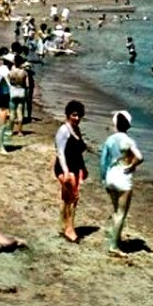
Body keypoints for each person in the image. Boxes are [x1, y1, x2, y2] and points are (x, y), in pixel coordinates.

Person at [99, 110, 143, 258]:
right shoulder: (129, 141)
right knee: (121, 213)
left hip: (111, 177)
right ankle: (114, 246)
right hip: (123, 179)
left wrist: (103, 178)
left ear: (115, 124)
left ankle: (115, 240)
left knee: (115, 211)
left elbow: (103, 160)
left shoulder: (109, 140)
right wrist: (131, 166)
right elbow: (140, 157)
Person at [54, 100, 88, 244]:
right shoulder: (64, 130)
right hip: (64, 167)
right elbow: (60, 152)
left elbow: (78, 153)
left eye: (79, 115)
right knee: (73, 198)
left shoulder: (76, 129)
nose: (77, 118)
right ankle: (70, 229)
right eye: (74, 115)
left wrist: (83, 169)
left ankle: (63, 225)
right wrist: (66, 172)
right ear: (68, 114)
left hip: (75, 167)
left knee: (67, 198)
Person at [8, 54, 28, 137]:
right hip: (21, 91)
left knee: (12, 112)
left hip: (13, 90)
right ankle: (20, 131)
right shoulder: (24, 72)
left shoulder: (11, 71)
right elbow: (27, 85)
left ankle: (10, 131)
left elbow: (9, 81)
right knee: (20, 112)